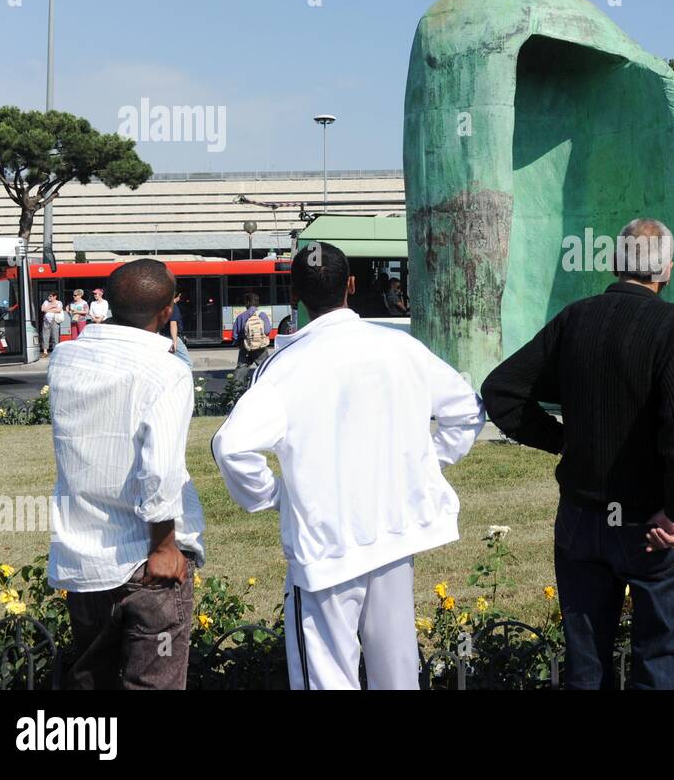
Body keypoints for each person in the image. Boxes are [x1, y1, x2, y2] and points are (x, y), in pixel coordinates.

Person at [211, 241, 484, 690]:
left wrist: (273, 496)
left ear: (293, 292)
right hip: (394, 536)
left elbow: (231, 446)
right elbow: (468, 412)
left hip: (326, 546)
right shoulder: (400, 347)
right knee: (397, 674)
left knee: (327, 677)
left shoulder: (285, 366)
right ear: (352, 286)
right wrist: (426, 464)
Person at [482, 218, 674, 690]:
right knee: (658, 663)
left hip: (581, 520)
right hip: (650, 524)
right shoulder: (670, 324)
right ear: (666, 270)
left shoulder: (575, 317)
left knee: (587, 668)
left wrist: (561, 440)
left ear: (615, 262)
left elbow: (501, 391)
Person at [47, 258, 205, 689]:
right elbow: (161, 469)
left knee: (89, 684)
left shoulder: (63, 358)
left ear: (108, 302)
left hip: (84, 562)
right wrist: (165, 546)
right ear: (167, 311)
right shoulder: (167, 372)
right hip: (147, 562)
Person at [232, 292, 273, 374]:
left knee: (241, 369)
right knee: (265, 368)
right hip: (260, 346)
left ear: (247, 302)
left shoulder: (241, 316)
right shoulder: (262, 315)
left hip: (246, 346)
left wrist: (239, 343)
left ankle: (237, 386)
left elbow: (235, 335)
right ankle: (267, 384)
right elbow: (267, 331)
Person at [40, 291, 63, 356]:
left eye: (50, 296)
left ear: (55, 296)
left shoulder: (59, 302)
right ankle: (45, 352)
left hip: (54, 320)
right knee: (45, 336)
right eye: (48, 296)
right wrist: (52, 306)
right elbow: (42, 309)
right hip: (46, 321)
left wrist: (47, 309)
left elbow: (59, 310)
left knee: (55, 336)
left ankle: (55, 351)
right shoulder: (46, 302)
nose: (48, 297)